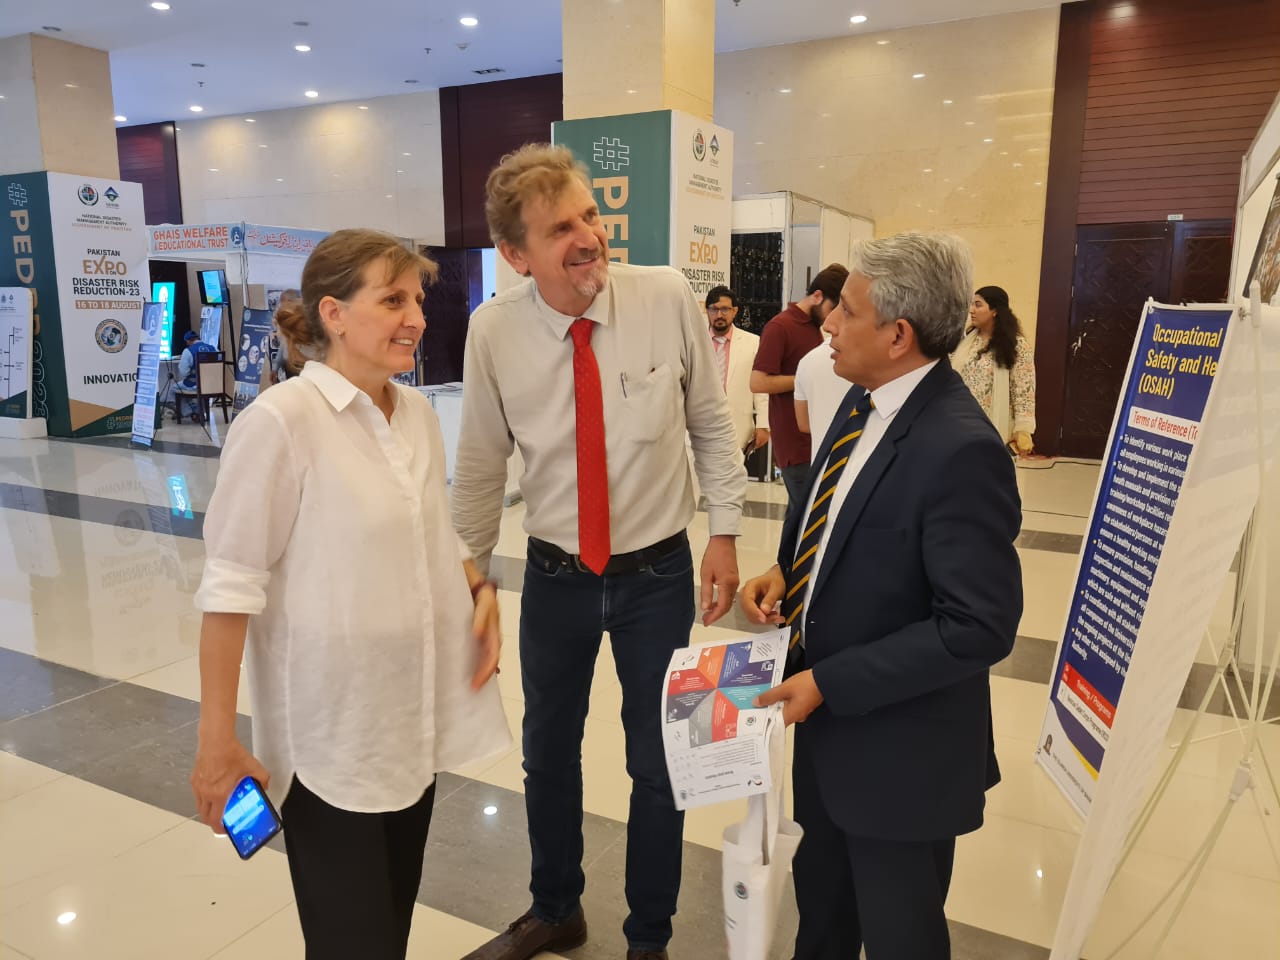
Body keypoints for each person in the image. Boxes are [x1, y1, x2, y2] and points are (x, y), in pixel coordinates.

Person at [451, 143, 747, 960]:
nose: (588, 238)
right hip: (556, 578)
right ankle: (556, 909)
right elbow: (480, 464)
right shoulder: (493, 331)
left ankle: (649, 938)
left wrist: (724, 531)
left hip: (659, 574)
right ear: (516, 254)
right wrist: (472, 580)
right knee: (547, 754)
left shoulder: (664, 296)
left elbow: (709, 421)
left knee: (659, 763)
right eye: (559, 229)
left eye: (589, 215)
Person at [190, 228, 509, 960]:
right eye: (392, 300)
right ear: (332, 313)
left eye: (418, 300)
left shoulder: (416, 415)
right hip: (330, 742)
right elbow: (230, 589)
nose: (416, 318)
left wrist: (478, 590)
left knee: (388, 933)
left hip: (410, 724)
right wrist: (216, 743)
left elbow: (432, 529)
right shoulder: (281, 423)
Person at [740, 232, 1022, 960]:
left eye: (847, 311)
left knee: (901, 936)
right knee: (823, 920)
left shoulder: (960, 448)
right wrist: (786, 574)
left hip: (902, 758)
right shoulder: (863, 403)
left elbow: (977, 627)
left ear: (899, 335)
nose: (828, 324)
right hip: (830, 736)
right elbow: (834, 519)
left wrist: (828, 682)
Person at [750, 264, 848, 512]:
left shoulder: (813, 327)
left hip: (816, 439)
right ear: (817, 295)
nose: (832, 319)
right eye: (832, 309)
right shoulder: (780, 327)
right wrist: (805, 378)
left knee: (798, 519)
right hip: (795, 445)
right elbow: (758, 382)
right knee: (808, 516)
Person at [952, 284, 1036, 455]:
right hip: (962, 422)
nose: (971, 310)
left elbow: (1024, 389)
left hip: (992, 426)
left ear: (995, 311)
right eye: (971, 304)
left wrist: (1023, 429)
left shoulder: (1016, 346)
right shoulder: (965, 343)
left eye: (978, 305)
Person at [705, 285, 769, 454]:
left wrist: (763, 425)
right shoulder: (694, 342)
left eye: (725, 309)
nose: (719, 315)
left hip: (737, 430)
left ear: (735, 311)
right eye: (714, 309)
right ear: (707, 311)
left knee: (733, 471)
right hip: (699, 429)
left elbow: (761, 388)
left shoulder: (753, 343)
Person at [793, 334, 854, 460]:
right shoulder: (870, 357)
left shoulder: (807, 361)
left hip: (822, 458)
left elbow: (804, 424)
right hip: (862, 456)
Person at [177, 329, 217, 417]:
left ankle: (189, 411)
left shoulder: (188, 351)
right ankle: (198, 409)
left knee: (174, 389)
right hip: (212, 385)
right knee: (200, 387)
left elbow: (183, 373)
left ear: (188, 341)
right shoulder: (213, 348)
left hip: (195, 385)